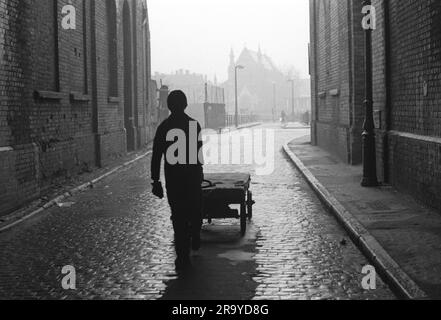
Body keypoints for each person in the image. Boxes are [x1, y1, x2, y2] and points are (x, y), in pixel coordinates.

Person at [150, 90, 204, 270]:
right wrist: (200, 172)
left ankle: (182, 256)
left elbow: (156, 156)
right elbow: (197, 154)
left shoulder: (164, 127)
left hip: (174, 180)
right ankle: (195, 233)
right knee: (194, 210)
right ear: (186, 104)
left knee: (178, 216)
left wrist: (156, 181)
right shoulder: (194, 125)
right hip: (192, 177)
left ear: (168, 106)